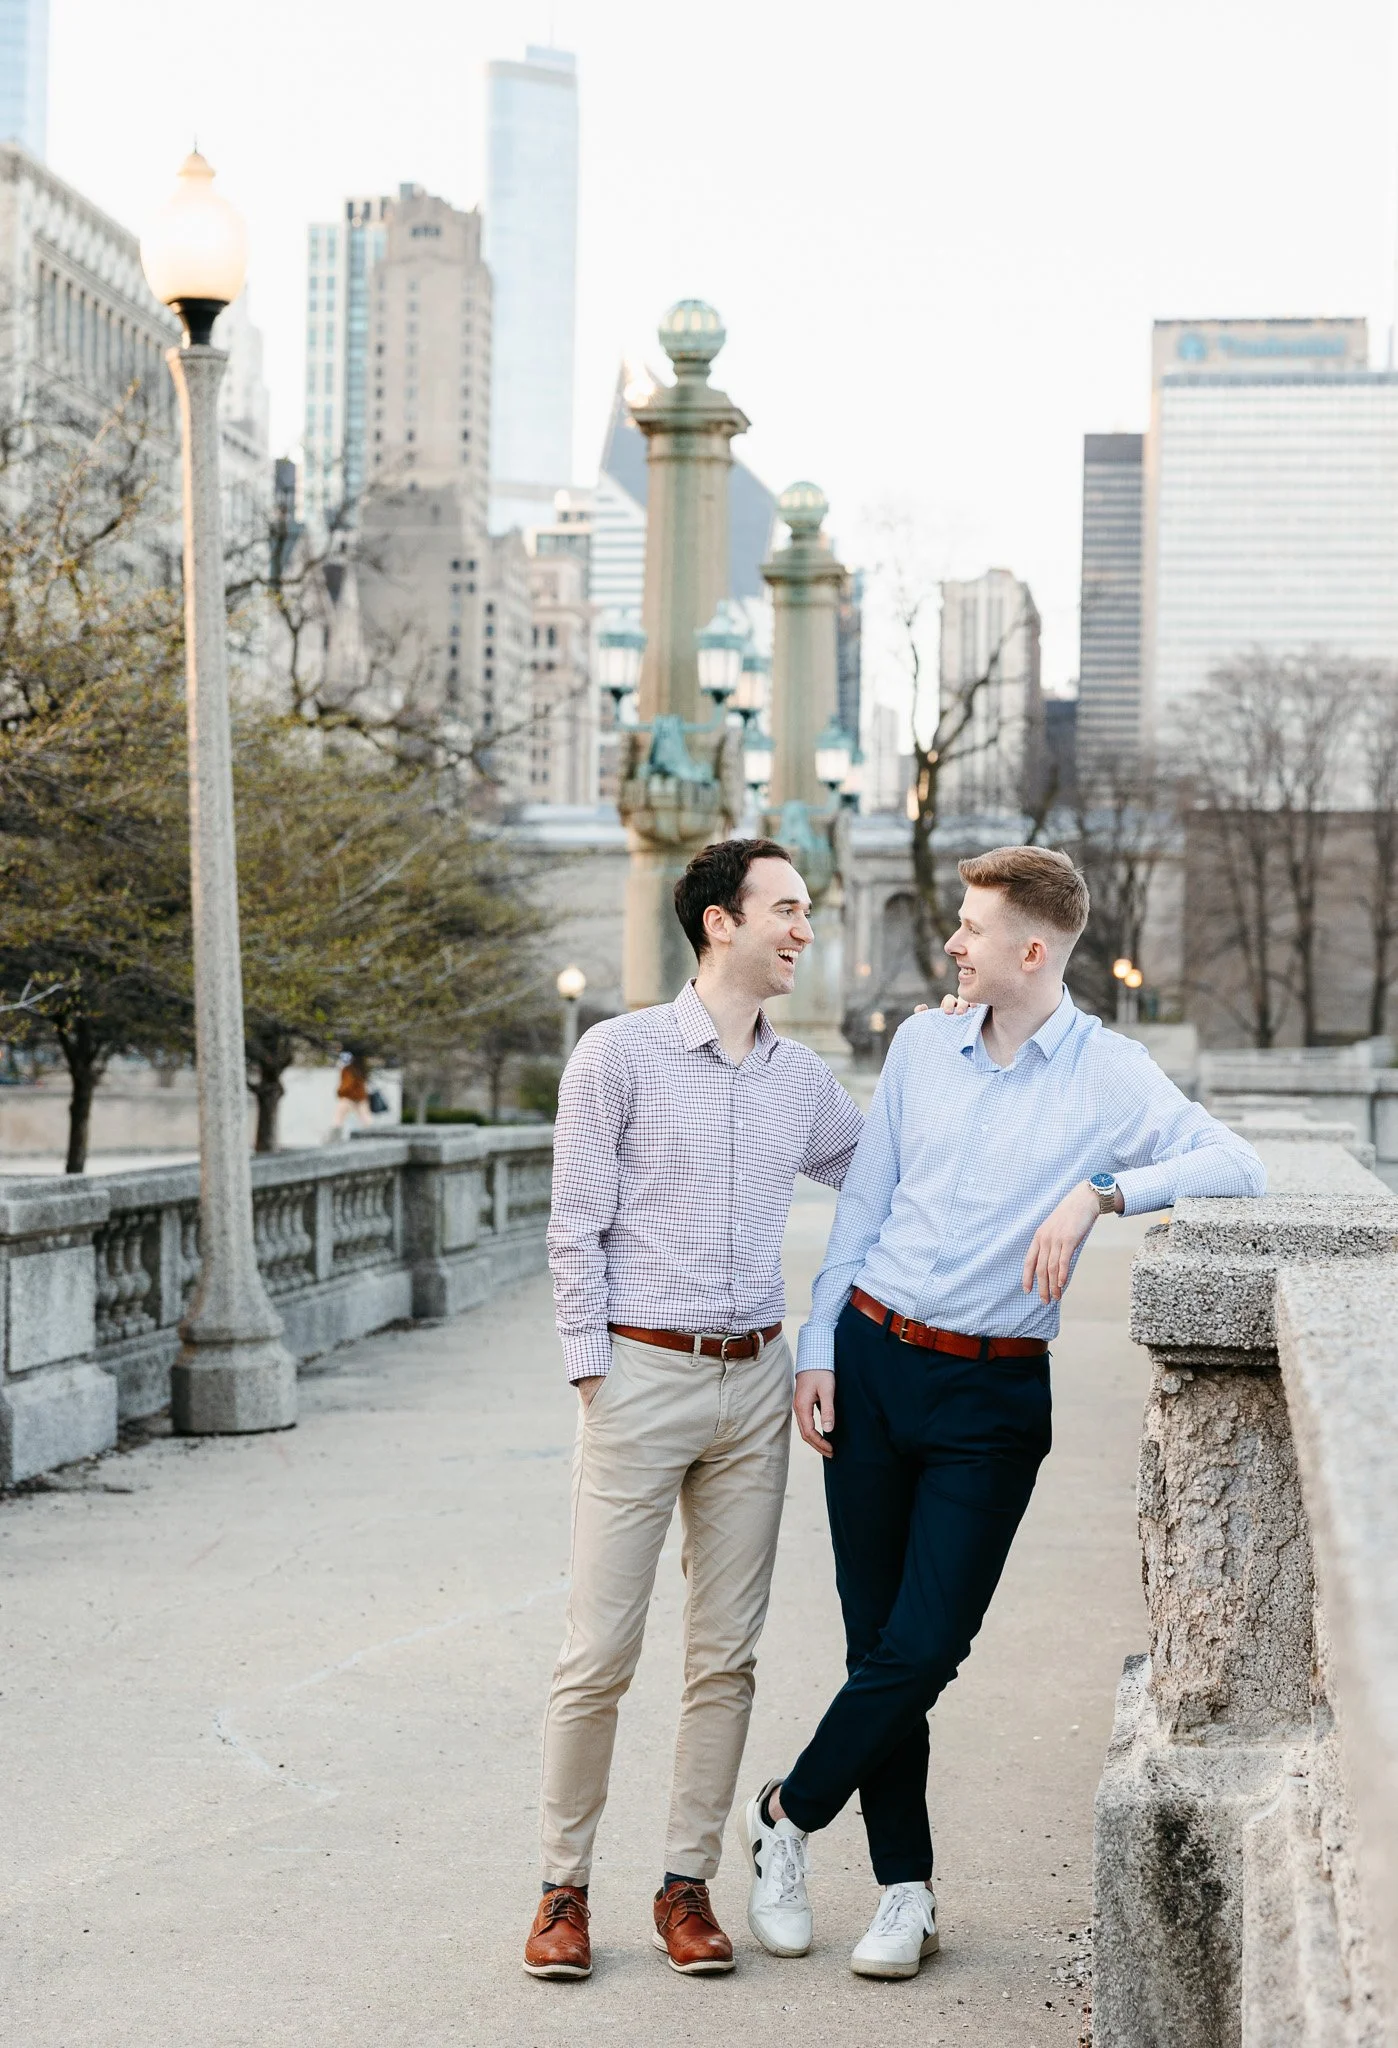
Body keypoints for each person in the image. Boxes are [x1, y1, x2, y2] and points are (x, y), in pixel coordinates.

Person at [741, 844, 1266, 1980]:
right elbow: (867, 1203)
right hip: (874, 1363)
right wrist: (820, 1342)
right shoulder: (924, 1043)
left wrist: (1103, 1189)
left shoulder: (1111, 1074)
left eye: (971, 929)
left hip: (991, 1392)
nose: (953, 945)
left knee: (927, 1645)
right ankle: (904, 1888)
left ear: (1032, 948)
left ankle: (785, 1811)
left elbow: (1237, 1160)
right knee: (878, 1643)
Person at [524, 837, 864, 1982]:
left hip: (754, 1384)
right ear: (721, 921)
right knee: (599, 1652)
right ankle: (561, 1888)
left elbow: (884, 1174)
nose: (803, 929)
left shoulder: (801, 1079)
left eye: (806, 909)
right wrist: (592, 1372)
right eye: (788, 908)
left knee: (726, 1656)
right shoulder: (615, 1055)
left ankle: (685, 1883)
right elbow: (574, 1223)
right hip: (641, 1376)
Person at [329, 1049, 373, 1141]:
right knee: (366, 1120)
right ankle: (372, 1138)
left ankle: (333, 1141)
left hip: (349, 1097)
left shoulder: (349, 1069)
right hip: (360, 1097)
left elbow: (347, 1085)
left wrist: (340, 1092)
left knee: (337, 1120)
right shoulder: (361, 1068)